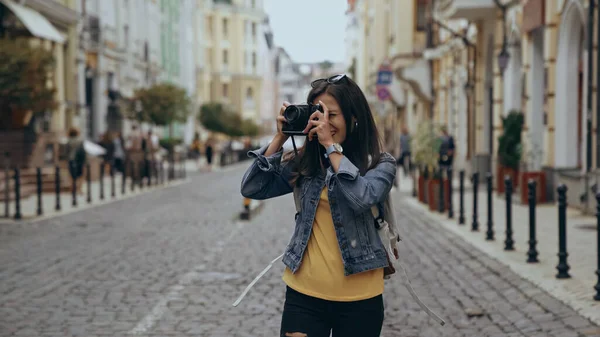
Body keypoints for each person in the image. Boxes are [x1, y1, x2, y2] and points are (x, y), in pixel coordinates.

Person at [240, 74, 396, 337]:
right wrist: (279, 138)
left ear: (353, 117)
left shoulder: (379, 163)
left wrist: (331, 147)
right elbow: (253, 187)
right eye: (318, 113)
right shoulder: (306, 162)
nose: (324, 122)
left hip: (360, 298)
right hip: (305, 295)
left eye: (331, 115)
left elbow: (362, 198)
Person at [66, 127, 86, 193]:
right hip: (79, 160)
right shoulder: (80, 141)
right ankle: (79, 189)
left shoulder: (68, 141)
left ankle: (72, 188)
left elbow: (66, 152)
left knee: (72, 175)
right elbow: (83, 152)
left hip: (71, 160)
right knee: (80, 175)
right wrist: (84, 161)